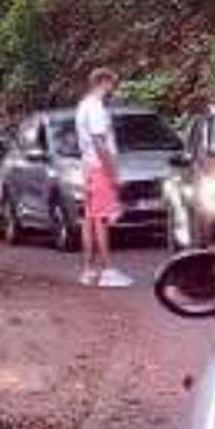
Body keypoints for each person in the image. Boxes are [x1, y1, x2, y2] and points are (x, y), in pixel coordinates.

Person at [74, 68, 132, 287]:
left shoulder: (83, 106)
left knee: (89, 220)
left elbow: (86, 144)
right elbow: (100, 144)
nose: (112, 89)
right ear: (103, 82)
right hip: (99, 168)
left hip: (88, 167)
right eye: (111, 84)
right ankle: (107, 271)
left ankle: (89, 270)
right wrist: (113, 174)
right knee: (102, 219)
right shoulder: (96, 108)